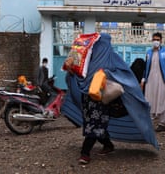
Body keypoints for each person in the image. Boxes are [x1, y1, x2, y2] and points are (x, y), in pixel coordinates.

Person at [63, 32, 158, 164]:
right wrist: (70, 67)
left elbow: (125, 76)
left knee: (94, 125)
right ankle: (108, 145)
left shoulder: (112, 59)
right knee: (95, 125)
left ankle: (85, 153)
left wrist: (107, 74)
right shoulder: (87, 59)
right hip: (87, 98)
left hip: (102, 99)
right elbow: (77, 75)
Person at [141, 32, 165, 132]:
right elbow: (145, 67)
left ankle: (162, 124)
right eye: (154, 39)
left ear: (161, 41)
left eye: (157, 39)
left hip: (162, 79)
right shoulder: (148, 52)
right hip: (150, 80)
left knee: (162, 100)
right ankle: (148, 123)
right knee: (149, 99)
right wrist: (143, 79)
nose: (156, 41)